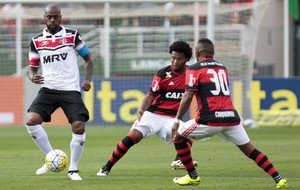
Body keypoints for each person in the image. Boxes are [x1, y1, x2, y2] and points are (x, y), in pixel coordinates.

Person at [171, 38, 289, 188]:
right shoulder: (222, 68)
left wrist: (176, 120)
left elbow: (188, 96)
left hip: (210, 120)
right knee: (250, 150)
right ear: (213, 53)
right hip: (231, 118)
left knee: (178, 136)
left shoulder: (194, 68)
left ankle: (192, 176)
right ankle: (279, 179)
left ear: (197, 52)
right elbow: (214, 92)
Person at [97, 40, 197, 176]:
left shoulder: (192, 74)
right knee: (133, 137)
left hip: (171, 119)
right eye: (173, 58)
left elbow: (197, 91)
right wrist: (142, 109)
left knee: (189, 132)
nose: (174, 61)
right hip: (153, 114)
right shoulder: (164, 73)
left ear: (186, 59)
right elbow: (150, 95)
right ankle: (106, 167)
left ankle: (179, 160)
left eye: (178, 59)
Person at [25, 4, 93, 181]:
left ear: (61, 17)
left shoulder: (72, 35)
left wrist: (87, 79)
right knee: (31, 121)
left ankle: (73, 169)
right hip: (49, 88)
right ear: (44, 17)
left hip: (70, 89)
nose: (52, 20)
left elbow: (88, 60)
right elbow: (31, 69)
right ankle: (51, 158)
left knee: (79, 126)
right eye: (49, 17)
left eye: (56, 17)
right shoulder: (37, 40)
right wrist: (33, 77)